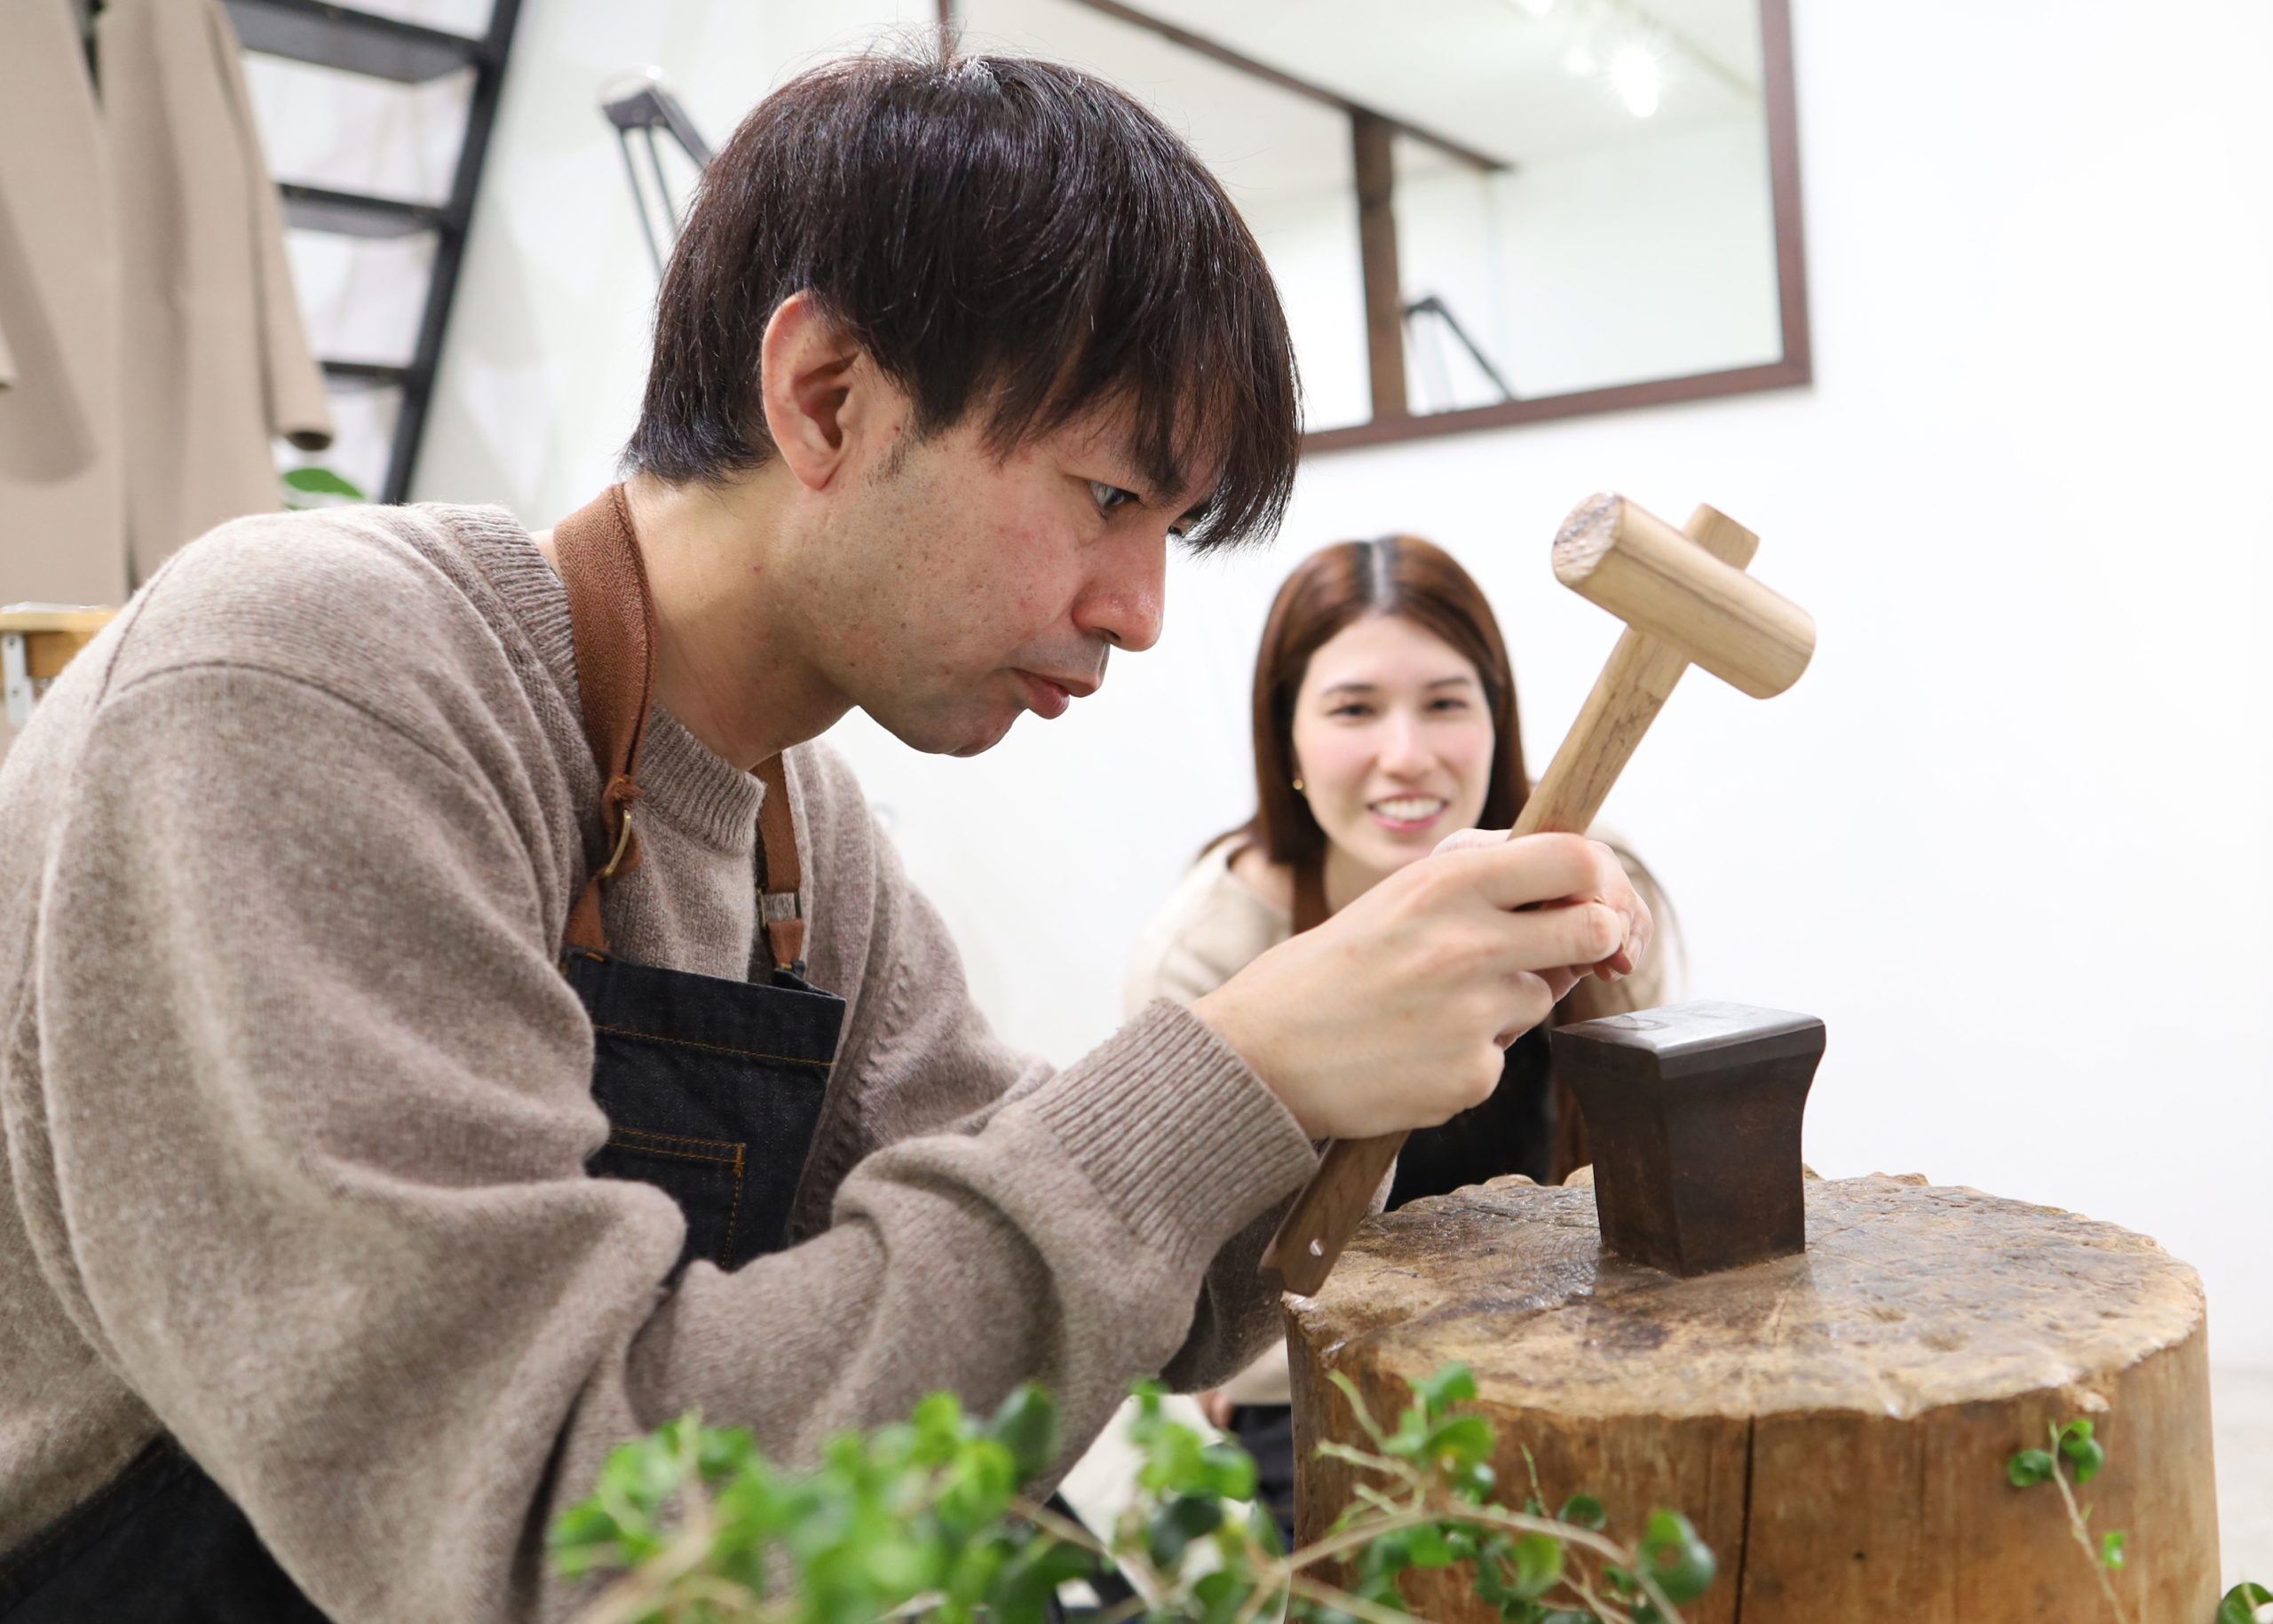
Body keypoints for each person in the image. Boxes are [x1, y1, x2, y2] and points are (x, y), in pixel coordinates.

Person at [0, 50, 1651, 1623]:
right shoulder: (311, 682)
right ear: (828, 395)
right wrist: (1238, 1070)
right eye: (1108, 498)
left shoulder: (804, 839)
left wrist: (1401, 1054)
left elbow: (1086, 1285)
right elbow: (547, 1529)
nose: (1139, 612)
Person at [1121, 535, 1675, 1540]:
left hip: (1561, 1363)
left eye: (1446, 701)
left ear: (1497, 722)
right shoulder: (1209, 949)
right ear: (1284, 740)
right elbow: (1189, 1274)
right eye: (1353, 707)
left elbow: (1648, 1176)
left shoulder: (1593, 894)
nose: (1406, 753)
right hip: (1314, 1398)